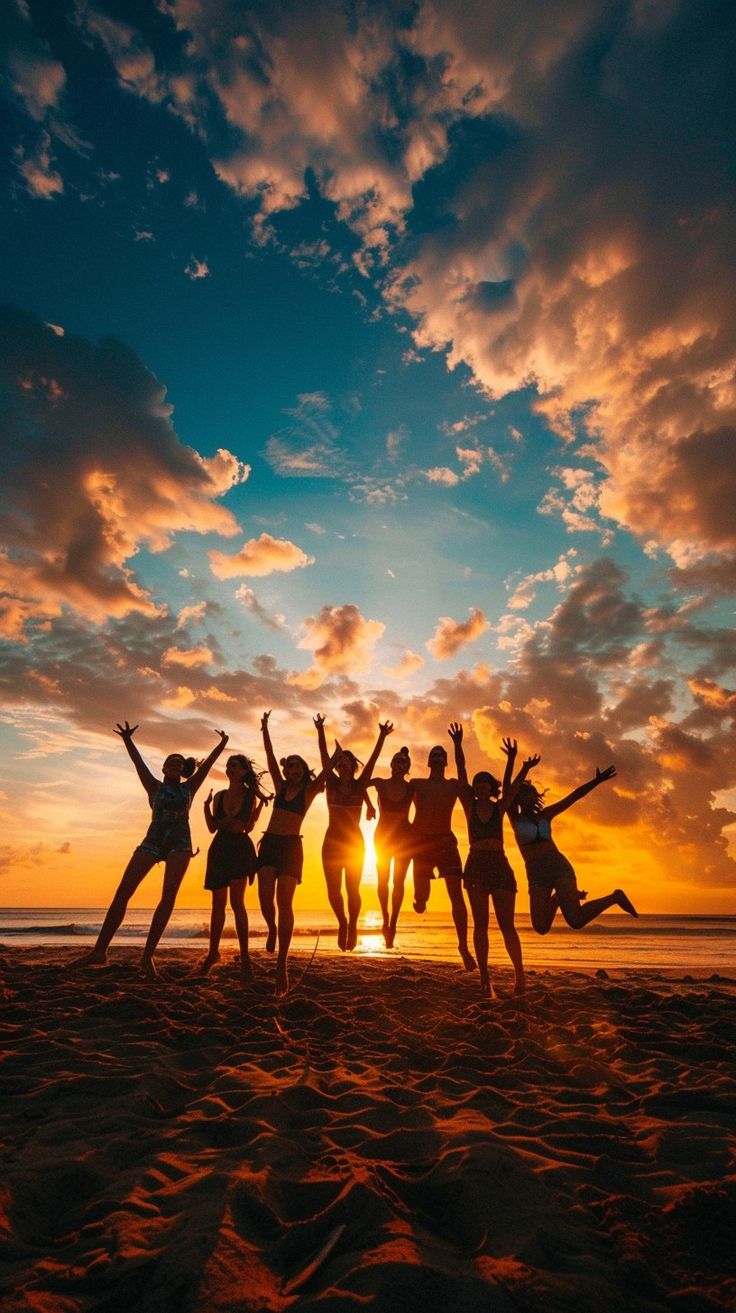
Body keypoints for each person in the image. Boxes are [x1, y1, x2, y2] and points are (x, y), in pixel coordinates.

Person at [73, 721, 228, 976]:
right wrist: (127, 739)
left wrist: (222, 744)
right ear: (165, 767)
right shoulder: (154, 786)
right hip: (153, 841)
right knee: (123, 892)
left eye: (180, 762)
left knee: (168, 899)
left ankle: (147, 957)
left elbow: (208, 765)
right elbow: (138, 763)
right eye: (171, 761)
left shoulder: (189, 788)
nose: (176, 764)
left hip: (180, 844)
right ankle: (99, 951)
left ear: (182, 770)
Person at [449, 726, 538, 997]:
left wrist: (517, 763)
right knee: (481, 924)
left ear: (491, 787)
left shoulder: (500, 807)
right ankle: (485, 979)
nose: (479, 786)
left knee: (506, 924)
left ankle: (519, 976)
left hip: (499, 864)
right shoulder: (470, 806)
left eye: (484, 782)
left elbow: (511, 789)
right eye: (476, 784)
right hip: (475, 864)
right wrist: (458, 743)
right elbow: (461, 770)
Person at [507, 751, 638, 934]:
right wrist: (519, 765)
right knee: (541, 927)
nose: (528, 799)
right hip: (536, 873)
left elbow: (573, 797)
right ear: (518, 799)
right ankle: (558, 898)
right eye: (524, 796)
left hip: (558, 866)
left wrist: (596, 781)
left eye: (531, 795)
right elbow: (508, 790)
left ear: (535, 798)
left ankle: (615, 897)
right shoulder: (515, 818)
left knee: (575, 920)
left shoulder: (546, 815)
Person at [257, 711, 326, 995]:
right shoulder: (280, 785)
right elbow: (271, 757)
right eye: (291, 766)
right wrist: (265, 728)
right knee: (264, 895)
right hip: (270, 843)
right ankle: (271, 927)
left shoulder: (309, 792)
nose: (292, 770)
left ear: (304, 770)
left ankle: (282, 965)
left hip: (291, 848)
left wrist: (320, 732)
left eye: (298, 766)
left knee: (284, 900)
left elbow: (328, 764)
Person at [314, 715, 394, 950]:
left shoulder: (360, 786)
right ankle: (342, 921)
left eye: (345, 761)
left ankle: (353, 924)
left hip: (354, 844)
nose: (341, 764)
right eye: (339, 761)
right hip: (331, 842)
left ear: (352, 765)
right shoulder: (331, 783)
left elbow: (372, 759)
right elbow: (322, 755)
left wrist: (381, 736)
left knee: (352, 889)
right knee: (333, 890)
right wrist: (320, 730)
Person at [197, 754, 272, 982]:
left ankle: (246, 958)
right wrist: (206, 808)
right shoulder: (219, 796)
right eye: (228, 765)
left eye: (234, 765)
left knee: (237, 903)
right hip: (219, 847)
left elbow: (248, 827)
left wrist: (257, 813)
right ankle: (213, 953)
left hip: (239, 848)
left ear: (243, 771)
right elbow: (212, 828)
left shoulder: (251, 795)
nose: (230, 768)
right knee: (217, 904)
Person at [410, 741, 475, 971]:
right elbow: (395, 803)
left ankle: (463, 947)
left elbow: (463, 770)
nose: (437, 758)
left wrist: (458, 744)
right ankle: (419, 899)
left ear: (445, 762)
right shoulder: (416, 784)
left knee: (456, 895)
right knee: (421, 899)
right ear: (428, 761)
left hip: (446, 842)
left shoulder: (453, 786)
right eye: (434, 755)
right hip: (422, 844)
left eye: (441, 756)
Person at [367, 745, 414, 948]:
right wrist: (369, 806)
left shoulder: (412, 787)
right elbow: (359, 785)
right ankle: (385, 917)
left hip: (404, 837)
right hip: (383, 837)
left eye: (403, 761)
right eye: (396, 760)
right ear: (391, 764)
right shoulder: (379, 783)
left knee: (399, 882)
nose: (399, 763)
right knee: (383, 881)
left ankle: (393, 923)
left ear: (407, 767)